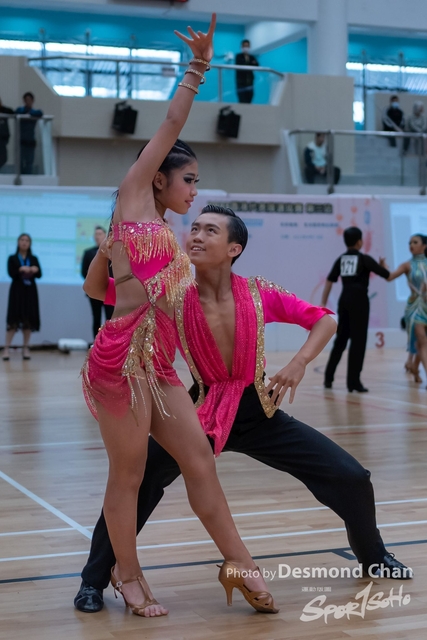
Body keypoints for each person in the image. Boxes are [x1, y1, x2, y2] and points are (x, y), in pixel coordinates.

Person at [74, 206, 412, 613]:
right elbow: (97, 289)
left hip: (258, 412)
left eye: (210, 230)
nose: (196, 236)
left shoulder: (258, 292)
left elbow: (325, 319)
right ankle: (93, 581)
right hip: (197, 414)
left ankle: (374, 556)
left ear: (234, 248)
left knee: (352, 477)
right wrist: (105, 251)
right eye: (194, 228)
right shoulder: (169, 294)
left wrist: (298, 363)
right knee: (137, 483)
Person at [80, 14, 278, 620]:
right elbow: (170, 124)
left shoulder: (163, 231)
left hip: (160, 364)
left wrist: (120, 271)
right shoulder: (135, 199)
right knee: (129, 474)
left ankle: (240, 563)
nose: (194, 190)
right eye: (188, 179)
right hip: (121, 360)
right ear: (158, 177)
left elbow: (101, 286)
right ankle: (128, 577)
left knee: (199, 462)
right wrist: (198, 67)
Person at [321, 227, 390, 392]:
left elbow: (329, 280)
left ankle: (328, 378)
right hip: (360, 302)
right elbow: (386, 274)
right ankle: (353, 383)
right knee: (358, 342)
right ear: (360, 242)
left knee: (341, 340)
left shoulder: (341, 259)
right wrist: (383, 265)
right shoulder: (364, 259)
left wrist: (323, 302)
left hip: (344, 301)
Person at [387, 234, 427, 387]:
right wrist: (384, 267)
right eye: (410, 242)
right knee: (422, 340)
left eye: (415, 242)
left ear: (424, 245)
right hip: (415, 307)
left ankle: (415, 368)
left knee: (423, 343)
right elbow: (390, 277)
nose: (411, 245)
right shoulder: (407, 265)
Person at [3, 233, 42, 361]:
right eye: (22, 240)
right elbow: (11, 273)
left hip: (30, 292)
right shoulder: (13, 258)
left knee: (28, 321)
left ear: (30, 243)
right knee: (13, 321)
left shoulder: (33, 258)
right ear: (18, 242)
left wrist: (34, 269)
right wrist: (20, 269)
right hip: (17, 292)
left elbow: (39, 274)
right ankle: (6, 349)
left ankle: (26, 348)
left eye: (27, 240)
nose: (24, 242)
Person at [81, 226, 114, 339]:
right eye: (96, 234)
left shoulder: (114, 252)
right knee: (96, 317)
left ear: (105, 236)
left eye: (100, 234)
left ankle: (109, 341)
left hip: (110, 288)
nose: (97, 236)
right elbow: (84, 272)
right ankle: (96, 342)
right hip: (95, 290)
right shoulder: (88, 253)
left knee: (110, 317)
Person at [16, 92, 43, 174]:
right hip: (21, 140)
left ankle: (27, 176)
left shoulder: (34, 112)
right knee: (20, 161)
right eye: (26, 100)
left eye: (29, 100)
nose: (28, 102)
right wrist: (26, 113)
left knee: (29, 162)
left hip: (30, 141)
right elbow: (17, 112)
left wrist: (30, 114)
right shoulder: (21, 111)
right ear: (24, 101)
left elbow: (40, 113)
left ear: (32, 101)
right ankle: (20, 176)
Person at [235, 39, 258, 104]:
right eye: (244, 46)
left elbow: (257, 65)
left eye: (247, 46)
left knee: (249, 102)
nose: (246, 47)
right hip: (241, 84)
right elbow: (240, 66)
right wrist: (251, 64)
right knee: (242, 102)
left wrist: (247, 64)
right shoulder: (238, 56)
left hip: (250, 84)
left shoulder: (252, 57)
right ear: (242, 47)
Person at [0, 97, 14, 170]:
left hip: (3, 138)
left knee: (3, 157)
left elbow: (12, 112)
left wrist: (2, 108)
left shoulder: (4, 110)